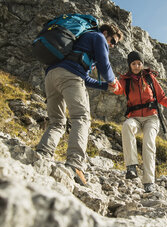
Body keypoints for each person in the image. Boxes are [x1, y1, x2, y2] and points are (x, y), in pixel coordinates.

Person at [36, 23, 123, 185]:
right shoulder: (98, 37)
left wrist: (105, 86)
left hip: (51, 76)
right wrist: (113, 81)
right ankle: (74, 165)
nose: (112, 45)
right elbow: (105, 65)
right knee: (81, 118)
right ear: (106, 33)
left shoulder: (81, 39)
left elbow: (84, 77)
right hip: (69, 76)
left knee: (57, 122)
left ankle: (42, 154)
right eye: (113, 41)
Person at [110, 51, 167, 193]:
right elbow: (118, 89)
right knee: (127, 126)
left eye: (139, 63)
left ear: (142, 64)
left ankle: (148, 181)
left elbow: (161, 98)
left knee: (149, 143)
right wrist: (113, 84)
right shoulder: (126, 80)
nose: (136, 66)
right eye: (133, 64)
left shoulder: (149, 78)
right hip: (135, 118)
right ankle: (131, 167)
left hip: (151, 118)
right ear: (129, 65)